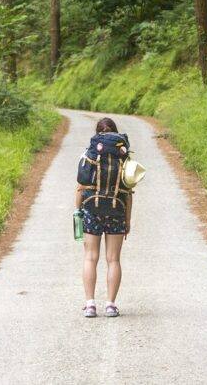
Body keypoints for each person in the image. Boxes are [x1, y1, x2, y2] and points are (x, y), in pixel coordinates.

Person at [75, 117, 133, 318]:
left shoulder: (88, 155)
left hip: (92, 210)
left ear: (97, 133)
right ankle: (110, 305)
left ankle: (90, 304)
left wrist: (78, 212)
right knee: (113, 259)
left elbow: (80, 187)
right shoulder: (123, 157)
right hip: (117, 210)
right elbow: (127, 191)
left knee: (90, 257)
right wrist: (127, 219)